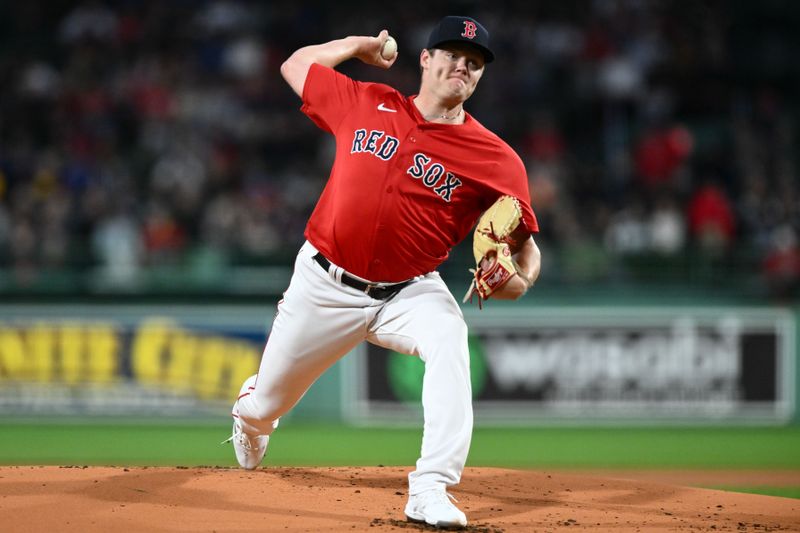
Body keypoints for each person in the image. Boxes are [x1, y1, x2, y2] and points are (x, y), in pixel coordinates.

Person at [226, 15, 541, 529]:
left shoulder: (496, 158)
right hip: (325, 283)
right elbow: (295, 65)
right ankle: (252, 414)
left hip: (411, 291)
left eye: (475, 62)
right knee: (266, 405)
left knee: (449, 338)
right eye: (452, 53)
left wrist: (520, 282)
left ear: (480, 76)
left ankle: (431, 488)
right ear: (425, 59)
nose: (462, 64)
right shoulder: (367, 101)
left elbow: (528, 249)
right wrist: (355, 45)